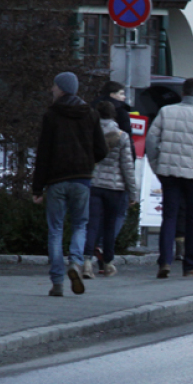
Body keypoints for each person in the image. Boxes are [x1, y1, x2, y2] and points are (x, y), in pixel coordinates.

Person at [32, 71, 108, 296]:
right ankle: (75, 262)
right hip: (82, 180)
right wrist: (86, 161)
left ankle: (57, 282)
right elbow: (102, 149)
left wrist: (37, 188)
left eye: (54, 86)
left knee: (55, 229)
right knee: (80, 225)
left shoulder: (51, 115)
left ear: (62, 88)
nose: (51, 90)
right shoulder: (91, 114)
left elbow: (43, 154)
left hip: (56, 180)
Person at [145, 77, 193, 279]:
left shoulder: (166, 111)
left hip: (168, 174)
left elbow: (151, 140)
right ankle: (189, 266)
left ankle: (165, 262)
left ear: (182, 94)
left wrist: (156, 166)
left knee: (169, 217)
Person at [83, 100, 137, 278]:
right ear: (113, 115)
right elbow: (127, 166)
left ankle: (87, 262)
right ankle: (107, 263)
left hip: (94, 184)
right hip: (115, 187)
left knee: (92, 224)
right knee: (109, 225)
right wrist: (132, 192)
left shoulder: (90, 132)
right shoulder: (121, 136)